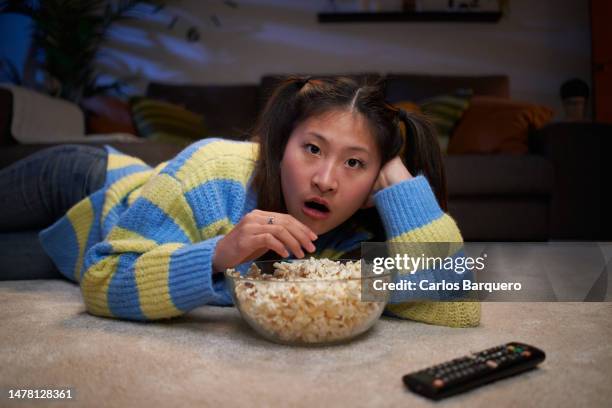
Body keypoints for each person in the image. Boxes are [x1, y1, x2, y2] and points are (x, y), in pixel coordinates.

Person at [0, 76, 480, 327]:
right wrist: (219, 254)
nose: (326, 180)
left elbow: (457, 301)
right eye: (311, 149)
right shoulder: (213, 168)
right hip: (86, 184)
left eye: (355, 164)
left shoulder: (354, 241)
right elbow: (105, 278)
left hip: (80, 247)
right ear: (281, 145)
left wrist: (399, 182)